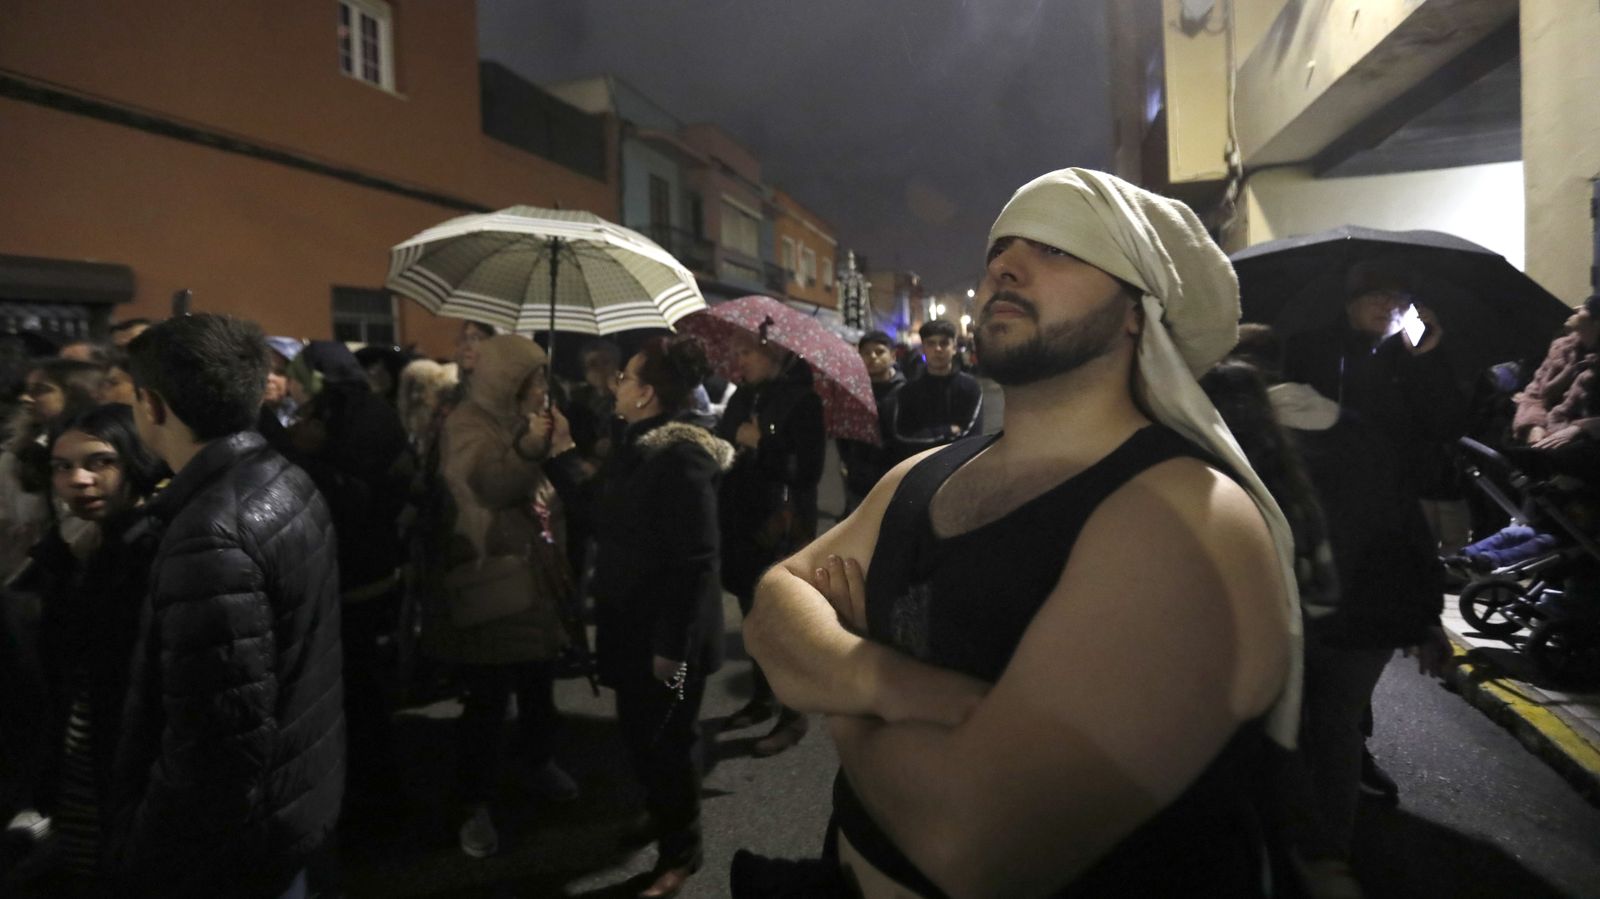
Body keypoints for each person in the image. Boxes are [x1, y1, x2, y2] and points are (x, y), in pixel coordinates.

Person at [741, 169, 1300, 897]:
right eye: (1001, 247)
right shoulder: (921, 475)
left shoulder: (1183, 515)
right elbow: (772, 604)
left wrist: (841, 691)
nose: (1004, 264)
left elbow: (972, 843)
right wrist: (891, 682)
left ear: (1138, 311)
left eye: (1058, 248)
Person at [114, 314, 342, 897]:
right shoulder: (284, 477)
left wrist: (143, 853)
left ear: (152, 405)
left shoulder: (210, 535)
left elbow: (216, 748)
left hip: (236, 848)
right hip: (291, 801)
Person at [1203, 355, 1448, 888]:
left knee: (1282, 733)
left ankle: (1297, 853)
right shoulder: (1361, 434)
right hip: (1371, 617)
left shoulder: (1239, 451)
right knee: (1338, 731)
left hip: (1291, 620)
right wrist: (1428, 617)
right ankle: (1331, 853)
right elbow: (1409, 526)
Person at [544, 335, 733, 899]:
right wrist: (559, 452)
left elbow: (696, 562)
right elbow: (599, 510)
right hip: (629, 627)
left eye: (625, 377)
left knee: (671, 739)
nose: (616, 384)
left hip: (669, 642)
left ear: (647, 392)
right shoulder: (636, 443)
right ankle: (660, 812)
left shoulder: (683, 456)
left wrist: (671, 648)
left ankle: (683, 849)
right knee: (640, 733)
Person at [422, 334, 577, 859]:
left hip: (535, 576)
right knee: (488, 699)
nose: (543, 386)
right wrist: (531, 447)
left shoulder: (521, 420)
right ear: (507, 380)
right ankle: (474, 803)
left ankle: (536, 761)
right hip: (494, 576)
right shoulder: (467, 423)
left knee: (537, 683)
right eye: (535, 377)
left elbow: (556, 487)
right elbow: (490, 486)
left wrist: (562, 448)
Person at [6, 404, 165, 896]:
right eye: (63, 466)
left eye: (100, 462)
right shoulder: (85, 542)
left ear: (136, 462)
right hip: (82, 734)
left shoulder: (150, 549)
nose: (78, 479)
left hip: (126, 748)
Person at [272, 341, 413, 835]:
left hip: (358, 570)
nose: (287, 383)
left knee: (358, 690)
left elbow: (356, 498)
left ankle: (374, 801)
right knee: (357, 688)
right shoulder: (351, 407)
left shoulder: (356, 414)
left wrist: (302, 453)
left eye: (293, 373)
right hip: (360, 566)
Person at [716, 329, 826, 757]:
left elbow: (808, 471)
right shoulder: (742, 397)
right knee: (752, 616)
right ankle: (762, 698)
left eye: (745, 352)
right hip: (741, 521)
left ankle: (793, 715)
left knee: (782, 623)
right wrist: (732, 445)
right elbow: (723, 443)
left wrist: (762, 444)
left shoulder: (803, 401)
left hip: (781, 524)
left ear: (774, 354)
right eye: (735, 351)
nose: (738, 361)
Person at [891, 319, 982, 461]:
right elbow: (903, 437)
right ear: (922, 348)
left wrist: (926, 435)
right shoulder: (908, 392)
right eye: (931, 343)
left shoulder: (970, 387)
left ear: (954, 347)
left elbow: (972, 436)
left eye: (944, 343)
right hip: (921, 468)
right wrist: (947, 431)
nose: (938, 349)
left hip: (960, 468)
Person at [837, 330, 906, 514]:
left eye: (879, 351)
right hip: (859, 481)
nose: (872, 357)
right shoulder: (852, 393)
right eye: (866, 353)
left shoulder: (906, 393)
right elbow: (843, 434)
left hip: (896, 479)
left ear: (892, 355)